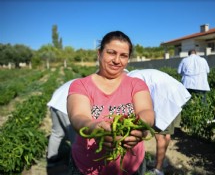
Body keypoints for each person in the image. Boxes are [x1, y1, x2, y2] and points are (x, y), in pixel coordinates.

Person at [67, 31, 155, 175]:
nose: (117, 60)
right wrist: (95, 128)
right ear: (99, 53)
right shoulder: (80, 85)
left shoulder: (136, 84)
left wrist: (140, 128)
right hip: (87, 166)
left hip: (131, 166)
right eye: (111, 53)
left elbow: (146, 111)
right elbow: (78, 117)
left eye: (123, 55)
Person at [127, 69, 191, 175]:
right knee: (166, 134)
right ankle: (161, 162)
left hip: (165, 99)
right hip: (175, 94)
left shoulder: (130, 79)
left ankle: (158, 169)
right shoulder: (135, 74)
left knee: (159, 136)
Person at [46, 79, 77, 167]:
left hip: (55, 103)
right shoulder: (93, 85)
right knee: (76, 138)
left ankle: (52, 159)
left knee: (57, 133)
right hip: (65, 107)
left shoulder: (80, 80)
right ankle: (75, 165)